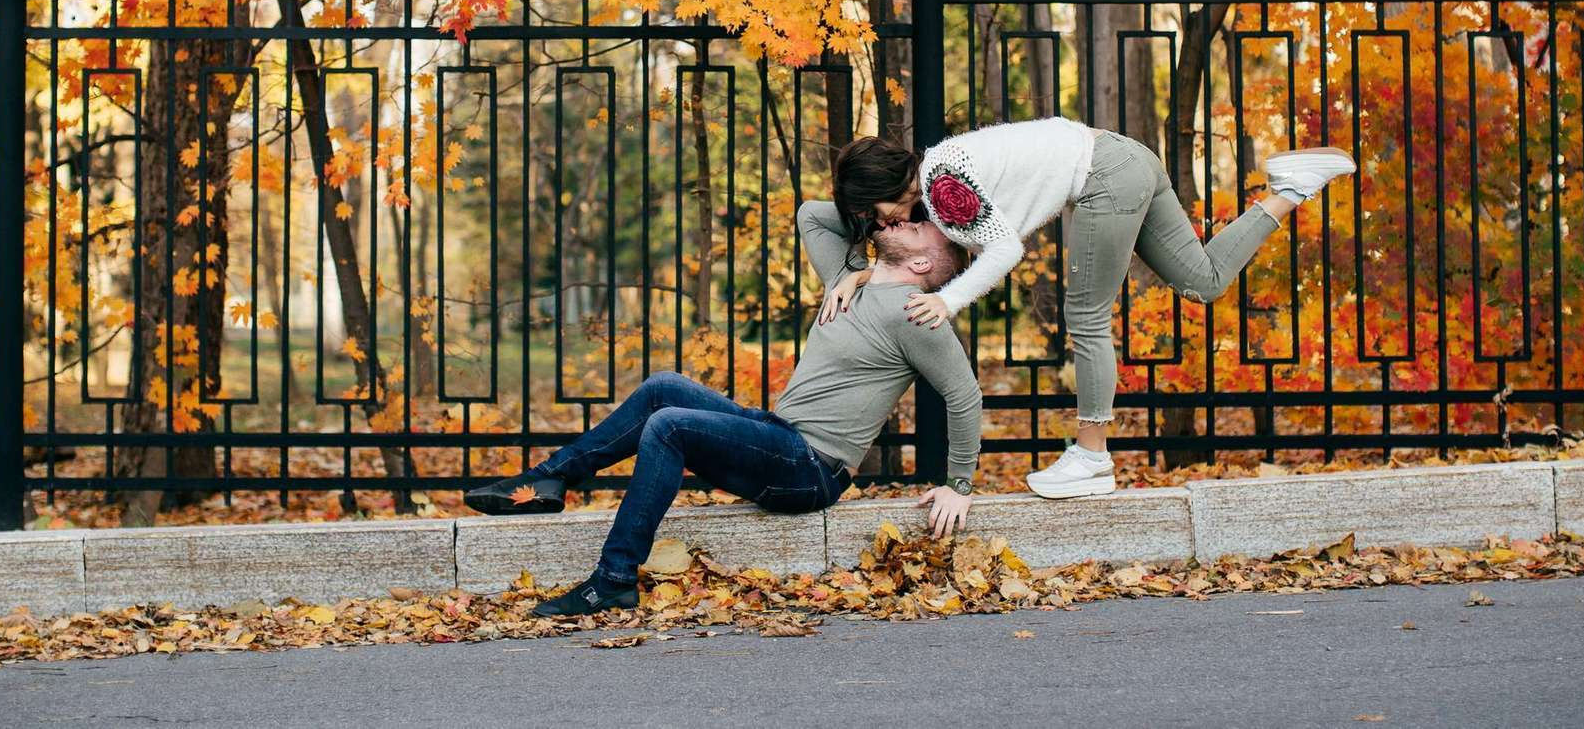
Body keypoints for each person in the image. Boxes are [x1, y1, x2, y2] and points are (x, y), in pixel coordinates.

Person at [463, 213, 984, 617]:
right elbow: (812, 214)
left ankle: (613, 579)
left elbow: (964, 395)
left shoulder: (918, 314)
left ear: (923, 264)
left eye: (922, 228)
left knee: (669, 426)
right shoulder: (848, 280)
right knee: (663, 387)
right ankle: (546, 481)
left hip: (811, 469)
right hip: (780, 436)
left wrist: (959, 484)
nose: (912, 219)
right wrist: (872, 254)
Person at [827, 118, 1353, 500]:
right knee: (1203, 281)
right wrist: (865, 274)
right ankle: (1290, 188)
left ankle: (1092, 456)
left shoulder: (944, 189)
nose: (882, 223)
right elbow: (938, 252)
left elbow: (1004, 250)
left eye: (875, 211)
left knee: (1086, 317)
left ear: (884, 187)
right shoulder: (943, 168)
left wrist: (947, 300)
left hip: (1105, 175)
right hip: (1127, 156)